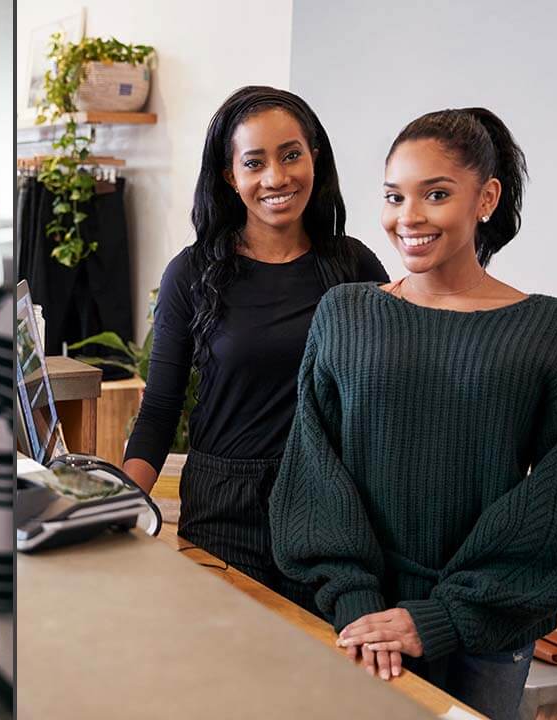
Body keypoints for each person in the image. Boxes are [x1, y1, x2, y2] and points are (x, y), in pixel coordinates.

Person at [269, 107, 557, 720]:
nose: (407, 218)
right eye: (393, 196)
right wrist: (356, 598)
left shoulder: (551, 329)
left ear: (486, 198)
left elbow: (555, 503)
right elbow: (313, 468)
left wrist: (441, 617)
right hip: (360, 615)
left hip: (487, 626)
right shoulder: (345, 312)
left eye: (436, 194)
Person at [121, 86, 387, 610]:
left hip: (327, 505)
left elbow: (392, 396)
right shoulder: (192, 273)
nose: (276, 178)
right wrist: (113, 508)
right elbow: (158, 413)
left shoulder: (354, 268)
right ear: (230, 177)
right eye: (254, 162)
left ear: (315, 156)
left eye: (291, 155)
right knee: (228, 675)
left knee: (320, 677)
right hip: (225, 507)